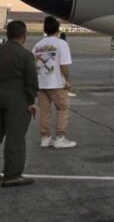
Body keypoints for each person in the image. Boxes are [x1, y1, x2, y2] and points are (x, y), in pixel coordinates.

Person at [0, 21, 38, 187]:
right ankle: (12, 175)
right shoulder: (25, 55)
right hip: (16, 99)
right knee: (15, 137)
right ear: (24, 35)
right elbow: (31, 82)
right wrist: (30, 102)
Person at [33, 16, 76, 149]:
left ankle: (45, 138)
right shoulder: (62, 44)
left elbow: (34, 64)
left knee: (44, 111)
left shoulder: (38, 45)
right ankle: (60, 137)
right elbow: (63, 65)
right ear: (58, 29)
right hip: (56, 83)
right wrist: (67, 80)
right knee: (62, 108)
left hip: (41, 83)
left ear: (45, 29)